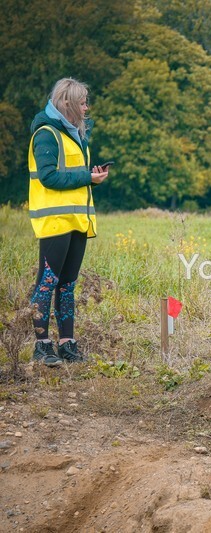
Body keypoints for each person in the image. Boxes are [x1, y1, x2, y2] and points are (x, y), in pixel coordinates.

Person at [28, 78, 109, 367]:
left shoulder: (75, 135)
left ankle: (67, 344)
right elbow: (48, 177)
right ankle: (42, 346)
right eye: (82, 103)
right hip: (54, 221)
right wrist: (87, 176)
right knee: (47, 282)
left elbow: (74, 175)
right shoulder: (46, 134)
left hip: (77, 220)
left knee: (67, 284)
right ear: (67, 103)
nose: (86, 108)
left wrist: (92, 177)